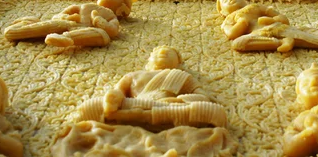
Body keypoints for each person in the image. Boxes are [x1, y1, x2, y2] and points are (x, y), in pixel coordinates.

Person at [74, 45, 227, 129]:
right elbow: (118, 92)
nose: (162, 53)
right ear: (149, 61)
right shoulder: (133, 75)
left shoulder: (181, 76)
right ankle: (130, 116)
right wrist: (113, 98)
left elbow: (201, 96)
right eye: (158, 52)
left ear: (178, 63)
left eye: (168, 52)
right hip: (135, 104)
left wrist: (181, 101)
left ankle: (131, 117)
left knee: (215, 112)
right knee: (91, 106)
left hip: (169, 107)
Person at [216, 0, 318, 53]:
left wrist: (274, 19)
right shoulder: (228, 20)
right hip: (258, 35)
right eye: (225, 0)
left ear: (243, 0)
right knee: (238, 44)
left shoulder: (254, 7)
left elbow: (282, 18)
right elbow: (231, 34)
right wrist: (241, 24)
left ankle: (308, 35)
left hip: (275, 27)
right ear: (223, 12)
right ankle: (281, 42)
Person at [4, 0, 137, 47]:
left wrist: (103, 24)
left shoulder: (111, 16)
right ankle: (22, 28)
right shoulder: (86, 5)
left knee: (103, 36)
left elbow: (113, 30)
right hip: (70, 22)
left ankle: (67, 38)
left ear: (121, 9)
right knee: (50, 25)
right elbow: (70, 9)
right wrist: (64, 15)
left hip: (86, 29)